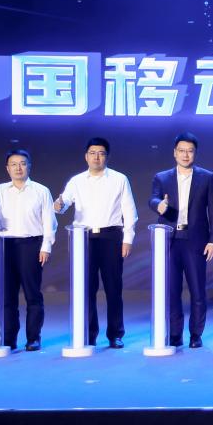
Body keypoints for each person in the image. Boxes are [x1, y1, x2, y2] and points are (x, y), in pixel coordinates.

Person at [55, 137, 138, 349]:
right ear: (86, 156)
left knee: (113, 288)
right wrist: (59, 204)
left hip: (111, 236)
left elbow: (130, 211)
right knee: (86, 289)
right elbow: (63, 205)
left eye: (101, 153)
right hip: (84, 238)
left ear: (107, 156)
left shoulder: (119, 179)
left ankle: (115, 334)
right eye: (92, 153)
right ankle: (89, 334)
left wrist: (127, 239)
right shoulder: (76, 181)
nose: (96, 157)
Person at [0, 149, 56, 352]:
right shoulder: (1, 190)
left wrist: (46, 246)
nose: (18, 168)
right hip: (5, 246)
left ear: (29, 166)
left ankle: (33, 338)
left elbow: (49, 221)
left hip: (31, 245)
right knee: (7, 296)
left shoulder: (41, 191)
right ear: (7, 168)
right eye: (14, 164)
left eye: (22, 163)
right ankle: (9, 339)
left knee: (32, 294)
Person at [149, 132, 213, 349]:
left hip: (195, 240)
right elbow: (153, 198)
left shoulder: (207, 177)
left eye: (190, 151)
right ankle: (175, 334)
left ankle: (196, 334)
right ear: (174, 153)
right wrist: (159, 205)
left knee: (198, 290)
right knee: (172, 291)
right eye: (181, 151)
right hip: (170, 240)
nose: (185, 155)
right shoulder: (162, 177)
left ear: (195, 153)